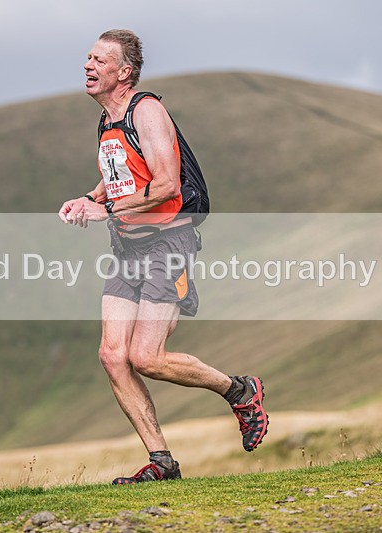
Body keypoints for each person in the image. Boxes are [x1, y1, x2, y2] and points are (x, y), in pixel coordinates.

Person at [58, 29, 268, 484]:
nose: (88, 66)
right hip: (127, 248)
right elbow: (121, 176)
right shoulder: (109, 121)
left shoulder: (147, 111)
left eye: (99, 61)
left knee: (147, 358)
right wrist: (86, 198)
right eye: (87, 58)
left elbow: (167, 186)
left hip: (166, 246)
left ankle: (240, 390)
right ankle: (163, 463)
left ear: (124, 72)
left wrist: (106, 208)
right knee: (114, 356)